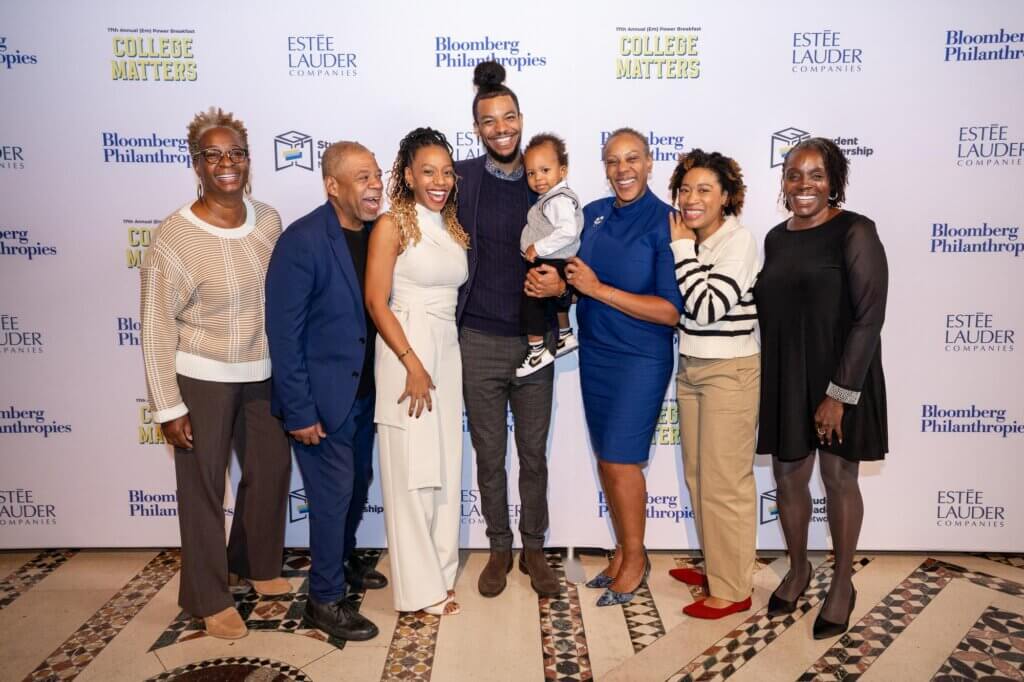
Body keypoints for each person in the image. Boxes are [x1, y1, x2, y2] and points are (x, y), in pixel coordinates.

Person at [140, 107, 291, 640]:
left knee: (269, 471)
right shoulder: (173, 236)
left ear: (249, 161)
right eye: (213, 156)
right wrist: (167, 404)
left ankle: (252, 562)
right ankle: (207, 595)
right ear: (196, 164)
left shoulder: (269, 220)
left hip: (264, 369)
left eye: (236, 154)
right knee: (203, 488)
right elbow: (156, 324)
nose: (226, 164)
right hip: (200, 375)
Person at [529, 128, 683, 606]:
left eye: (632, 159)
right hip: (595, 354)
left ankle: (636, 559)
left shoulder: (667, 222)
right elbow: (573, 280)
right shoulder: (591, 214)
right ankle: (622, 550)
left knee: (620, 459)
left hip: (640, 357)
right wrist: (561, 290)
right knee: (608, 460)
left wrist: (596, 291)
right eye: (613, 161)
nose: (623, 170)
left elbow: (671, 311)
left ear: (650, 162)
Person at [754, 137, 888, 639]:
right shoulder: (775, 237)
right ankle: (799, 567)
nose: (803, 184)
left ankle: (842, 585)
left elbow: (869, 319)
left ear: (834, 182)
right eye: (793, 174)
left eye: (815, 175)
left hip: (841, 377)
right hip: (787, 374)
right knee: (788, 478)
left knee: (837, 479)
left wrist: (839, 394)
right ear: (783, 182)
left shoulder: (855, 231)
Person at [265, 140, 388, 642]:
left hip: (363, 394)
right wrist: (299, 410)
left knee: (357, 487)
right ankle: (324, 599)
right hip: (319, 403)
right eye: (361, 177)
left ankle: (341, 563)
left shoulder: (380, 233)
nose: (374, 184)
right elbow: (284, 332)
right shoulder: (303, 240)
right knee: (333, 498)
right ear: (331, 186)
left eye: (376, 174)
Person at [456, 60, 560, 598]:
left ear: (521, 118)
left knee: (534, 455)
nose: (501, 128)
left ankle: (535, 549)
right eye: (490, 120)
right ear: (477, 128)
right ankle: (499, 549)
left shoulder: (545, 179)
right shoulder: (462, 178)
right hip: (477, 341)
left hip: (532, 342)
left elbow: (568, 253)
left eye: (509, 117)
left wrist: (558, 288)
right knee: (489, 456)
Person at [365, 128, 469, 616]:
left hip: (447, 351)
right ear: (407, 174)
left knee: (444, 468)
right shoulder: (392, 225)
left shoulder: (449, 226)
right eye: (428, 171)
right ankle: (418, 589)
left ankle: (441, 573)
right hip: (407, 350)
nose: (440, 180)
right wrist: (411, 362)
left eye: (446, 171)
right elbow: (375, 300)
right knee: (411, 472)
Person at [665, 150, 761, 619]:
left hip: (730, 372)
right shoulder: (699, 240)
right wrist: (688, 247)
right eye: (685, 189)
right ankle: (719, 567)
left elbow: (705, 307)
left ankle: (734, 588)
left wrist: (681, 248)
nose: (691, 198)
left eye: (704, 190)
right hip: (694, 367)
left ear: (727, 196)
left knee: (726, 484)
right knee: (700, 478)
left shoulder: (737, 242)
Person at [516, 133, 583, 377]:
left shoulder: (557, 200)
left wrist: (538, 248)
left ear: (562, 170)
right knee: (553, 300)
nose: (538, 178)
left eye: (545, 170)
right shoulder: (553, 198)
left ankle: (536, 351)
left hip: (550, 257)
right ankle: (565, 335)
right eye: (531, 173)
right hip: (557, 258)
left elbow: (567, 231)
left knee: (531, 299)